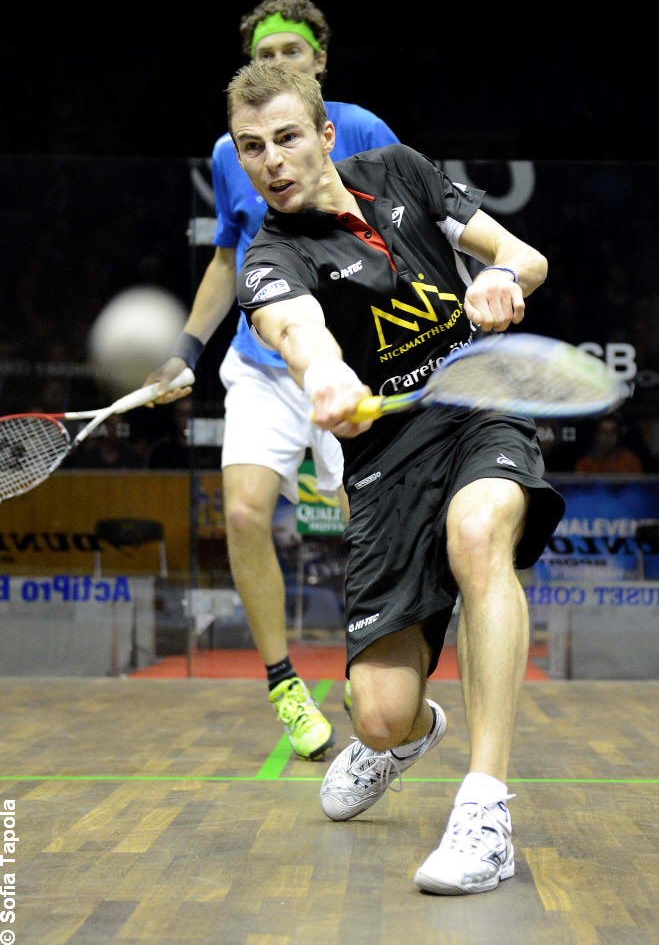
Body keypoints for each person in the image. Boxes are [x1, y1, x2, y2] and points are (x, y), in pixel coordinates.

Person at [229, 62, 566, 895]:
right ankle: (409, 737)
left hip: (476, 403)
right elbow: (294, 325)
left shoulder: (399, 172)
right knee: (378, 714)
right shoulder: (267, 254)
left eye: (286, 138)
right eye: (251, 148)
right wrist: (323, 373)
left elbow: (523, 256)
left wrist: (498, 277)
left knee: (477, 535)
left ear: (325, 135)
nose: (271, 161)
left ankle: (484, 808)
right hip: (384, 460)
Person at [148, 0, 399, 761]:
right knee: (243, 510)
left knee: (369, 523)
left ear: (318, 60)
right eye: (265, 54)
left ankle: (368, 667)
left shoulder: (363, 131)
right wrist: (186, 351)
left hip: (348, 363)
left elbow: (403, 236)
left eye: (292, 51)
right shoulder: (233, 151)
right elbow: (228, 259)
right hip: (263, 366)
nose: (278, 63)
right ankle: (284, 684)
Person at [575, 415, 644, 474]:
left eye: (612, 432)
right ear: (597, 435)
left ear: (618, 435)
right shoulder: (585, 464)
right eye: (603, 432)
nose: (608, 436)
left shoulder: (631, 462)